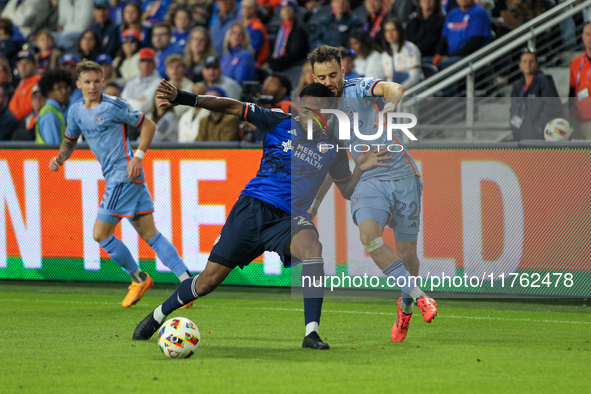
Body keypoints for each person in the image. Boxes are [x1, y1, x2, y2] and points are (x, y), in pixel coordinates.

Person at [133, 79, 390, 348]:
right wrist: (186, 98)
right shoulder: (279, 121)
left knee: (313, 248)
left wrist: (360, 167)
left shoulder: (334, 148)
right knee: (208, 282)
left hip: (288, 219)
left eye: (314, 109)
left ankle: (311, 333)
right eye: (304, 108)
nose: (306, 114)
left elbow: (347, 191)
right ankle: (157, 315)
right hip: (252, 208)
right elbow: (233, 106)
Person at [308, 45, 438, 342]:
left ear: (342, 71)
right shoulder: (322, 116)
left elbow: (394, 87)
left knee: (409, 257)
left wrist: (389, 108)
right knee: (369, 236)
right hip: (367, 178)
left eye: (332, 74)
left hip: (403, 174)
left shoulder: (359, 88)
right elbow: (333, 167)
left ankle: (404, 307)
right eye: (321, 77)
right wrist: (314, 205)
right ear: (313, 77)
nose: (328, 82)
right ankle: (420, 298)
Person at [48, 59, 194, 308]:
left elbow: (148, 124)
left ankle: (139, 278)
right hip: (123, 177)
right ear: (79, 84)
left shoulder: (114, 106)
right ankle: (187, 283)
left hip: (123, 175)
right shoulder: (75, 111)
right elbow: (70, 139)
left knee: (100, 234)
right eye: (87, 82)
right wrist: (61, 156)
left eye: (97, 81)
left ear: (103, 82)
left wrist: (138, 156)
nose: (93, 86)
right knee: (150, 234)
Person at [510, 49, 561, 141]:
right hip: (521, 136)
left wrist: (540, 127)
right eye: (524, 62)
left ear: (536, 64)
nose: (528, 65)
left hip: (539, 137)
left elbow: (553, 108)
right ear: (520, 65)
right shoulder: (517, 87)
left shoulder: (545, 82)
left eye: (531, 61)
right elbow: (513, 110)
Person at [433, 0, 491, 71]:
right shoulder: (452, 14)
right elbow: (443, 40)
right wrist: (438, 54)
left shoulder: (479, 12)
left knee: (446, 64)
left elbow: (474, 43)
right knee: (426, 63)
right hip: (451, 57)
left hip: (471, 58)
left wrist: (449, 57)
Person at [380, 17, 423, 89]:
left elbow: (415, 78)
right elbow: (389, 80)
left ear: (400, 31)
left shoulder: (410, 48)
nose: (390, 34)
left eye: (393, 30)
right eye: (387, 31)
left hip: (414, 90)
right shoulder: (385, 55)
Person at [267, 0, 309, 72]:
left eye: (289, 9)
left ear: (294, 11)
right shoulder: (281, 27)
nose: (286, 11)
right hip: (279, 61)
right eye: (283, 9)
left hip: (291, 63)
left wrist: (274, 63)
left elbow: (294, 54)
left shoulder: (299, 29)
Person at [121, 48, 162, 118]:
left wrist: (130, 101)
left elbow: (143, 106)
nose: (146, 64)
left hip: (147, 120)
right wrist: (138, 101)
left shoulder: (159, 82)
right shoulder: (131, 82)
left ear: (154, 65)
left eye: (149, 61)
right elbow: (122, 103)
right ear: (138, 64)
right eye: (143, 61)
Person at [36, 68, 72, 144]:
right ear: (49, 92)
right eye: (59, 88)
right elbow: (53, 149)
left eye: (65, 87)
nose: (64, 91)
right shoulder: (50, 115)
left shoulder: (55, 111)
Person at [569, 23, 591, 140]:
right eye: (588, 34)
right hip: (578, 118)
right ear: (583, 37)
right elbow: (572, 89)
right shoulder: (576, 63)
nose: (590, 38)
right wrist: (571, 109)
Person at [9, 49, 41, 123]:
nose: (23, 67)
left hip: (29, 125)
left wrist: (12, 118)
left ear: (35, 65)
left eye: (27, 63)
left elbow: (28, 109)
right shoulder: (22, 83)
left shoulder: (38, 82)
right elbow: (11, 106)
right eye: (20, 64)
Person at [240, 0, 269, 67]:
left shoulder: (257, 28)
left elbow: (252, 52)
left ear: (256, 8)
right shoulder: (239, 23)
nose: (247, 10)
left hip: (252, 64)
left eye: (250, 7)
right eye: (244, 7)